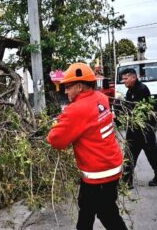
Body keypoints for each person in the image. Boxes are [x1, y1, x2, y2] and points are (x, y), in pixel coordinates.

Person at [47, 63, 128, 230]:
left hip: (99, 173)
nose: (65, 91)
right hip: (111, 164)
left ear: (79, 86)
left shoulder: (77, 109)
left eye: (68, 87)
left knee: (106, 213)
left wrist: (60, 122)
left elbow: (56, 140)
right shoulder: (100, 97)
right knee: (87, 209)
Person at [120, 68, 157, 188]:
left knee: (152, 154)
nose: (123, 81)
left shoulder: (141, 89)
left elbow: (139, 110)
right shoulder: (130, 91)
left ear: (133, 78)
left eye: (126, 78)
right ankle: (126, 180)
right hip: (133, 128)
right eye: (123, 79)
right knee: (129, 154)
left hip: (145, 129)